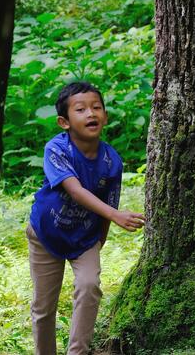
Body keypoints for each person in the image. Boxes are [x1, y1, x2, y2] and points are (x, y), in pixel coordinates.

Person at [27, 81, 145, 355]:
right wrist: (116, 216)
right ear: (63, 122)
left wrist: (99, 241)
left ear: (104, 116)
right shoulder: (56, 149)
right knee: (44, 307)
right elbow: (75, 190)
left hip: (85, 238)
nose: (90, 114)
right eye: (80, 109)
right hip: (46, 233)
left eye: (96, 108)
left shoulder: (111, 161)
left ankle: (77, 352)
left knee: (89, 285)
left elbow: (107, 203)